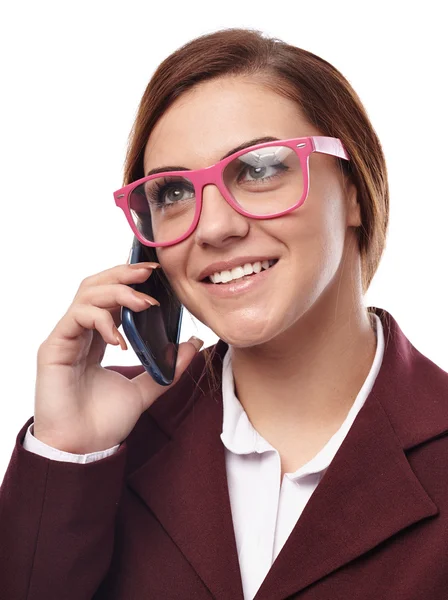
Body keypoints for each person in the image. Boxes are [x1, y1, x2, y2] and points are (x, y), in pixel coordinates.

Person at [1, 27, 447, 600]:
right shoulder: (112, 441)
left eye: (259, 169)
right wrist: (67, 454)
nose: (213, 227)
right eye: (172, 193)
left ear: (355, 191)